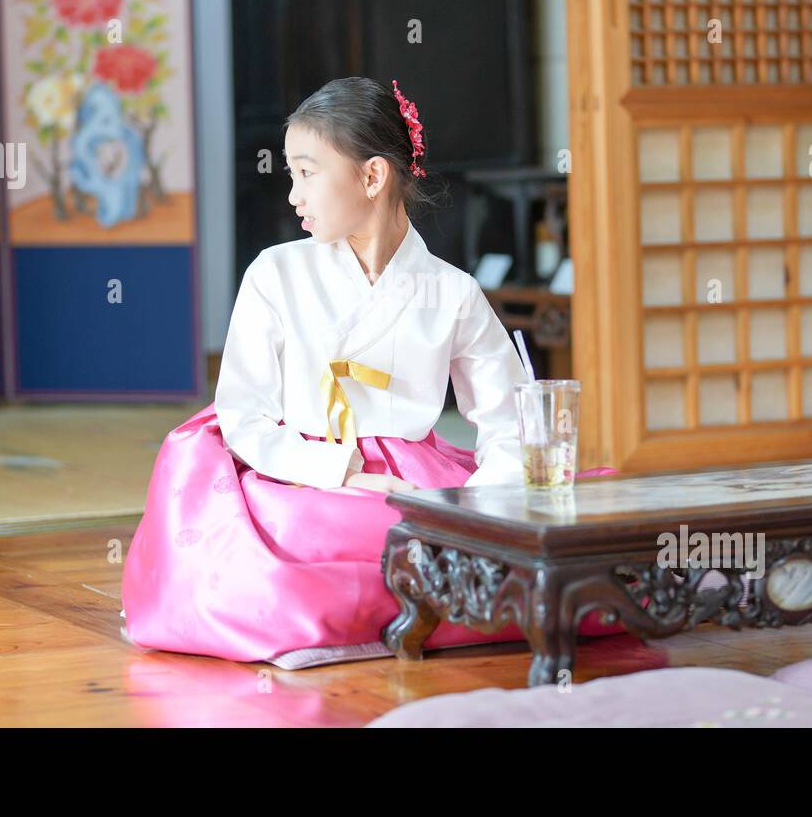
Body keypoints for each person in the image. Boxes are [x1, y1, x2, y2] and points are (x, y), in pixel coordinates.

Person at [120, 76, 640, 663]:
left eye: (307, 173)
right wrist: (343, 471)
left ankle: (404, 597)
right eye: (291, 174)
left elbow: (509, 418)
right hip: (300, 472)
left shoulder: (452, 291)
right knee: (296, 546)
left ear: (371, 176)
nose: (293, 195)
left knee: (448, 534)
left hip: (414, 477)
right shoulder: (275, 273)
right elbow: (244, 415)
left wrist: (473, 509)